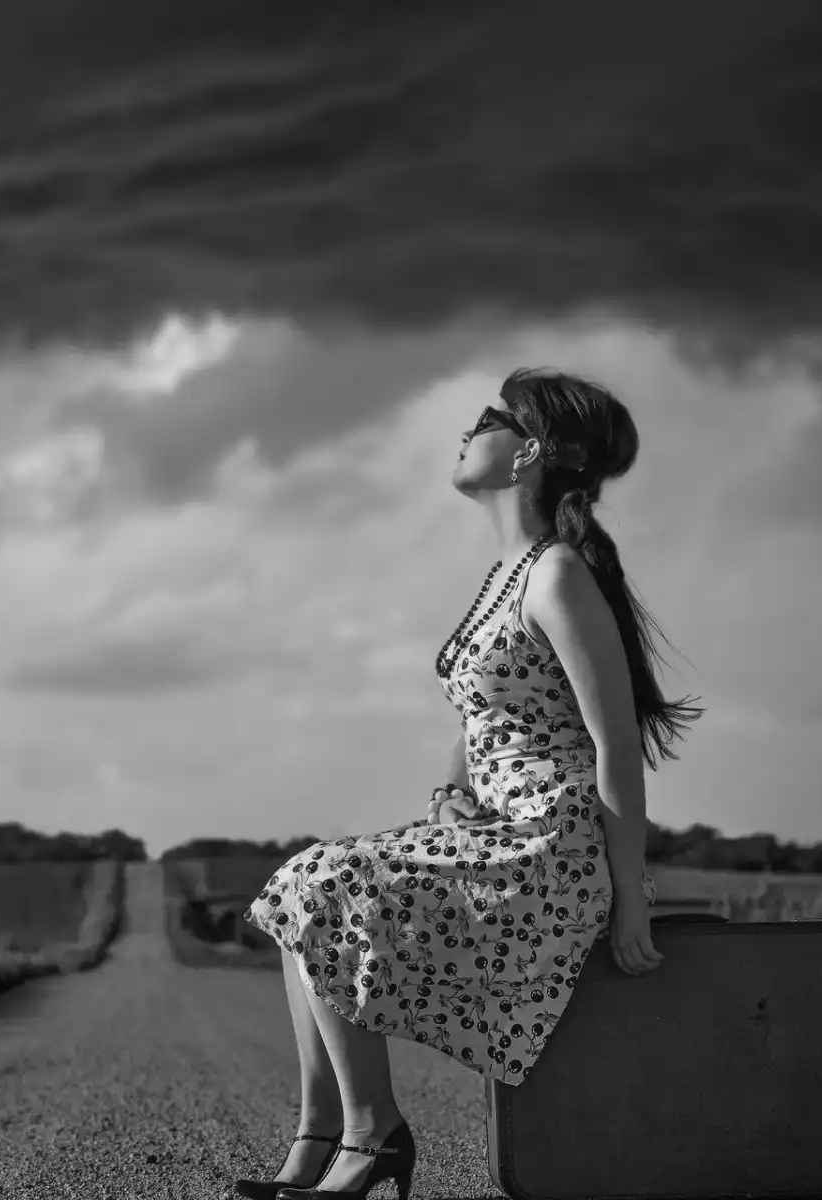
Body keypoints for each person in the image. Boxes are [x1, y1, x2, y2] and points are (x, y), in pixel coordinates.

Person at [230, 369, 704, 1200]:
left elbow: (616, 742)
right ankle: (319, 1138)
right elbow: (486, 713)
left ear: (526, 454)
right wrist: (454, 790)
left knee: (324, 879)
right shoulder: (509, 576)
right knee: (296, 896)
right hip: (494, 826)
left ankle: (374, 1138)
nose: (464, 432)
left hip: (551, 849)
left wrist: (631, 893)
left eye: (485, 420)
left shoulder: (556, 575)